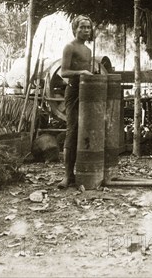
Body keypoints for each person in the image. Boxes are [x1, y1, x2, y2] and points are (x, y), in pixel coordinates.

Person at [57, 15, 94, 189]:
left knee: (86, 129)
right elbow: (64, 72)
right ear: (75, 29)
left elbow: (89, 72)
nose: (86, 30)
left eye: (88, 27)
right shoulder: (69, 47)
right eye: (82, 27)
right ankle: (67, 176)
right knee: (72, 129)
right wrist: (82, 73)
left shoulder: (88, 51)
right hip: (73, 92)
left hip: (87, 92)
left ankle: (84, 171)